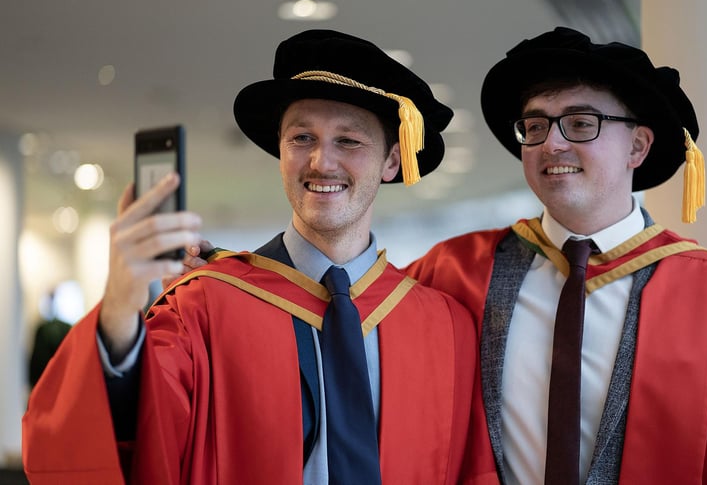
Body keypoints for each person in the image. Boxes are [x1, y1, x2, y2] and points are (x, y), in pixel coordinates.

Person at [22, 30, 498, 484]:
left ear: (392, 161)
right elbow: (135, 431)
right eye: (301, 138)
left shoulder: (445, 327)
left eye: (348, 141)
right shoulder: (204, 307)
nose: (321, 162)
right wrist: (119, 308)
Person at [405, 27, 707, 484]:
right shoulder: (453, 272)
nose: (552, 144)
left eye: (580, 123)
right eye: (535, 126)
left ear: (638, 146)